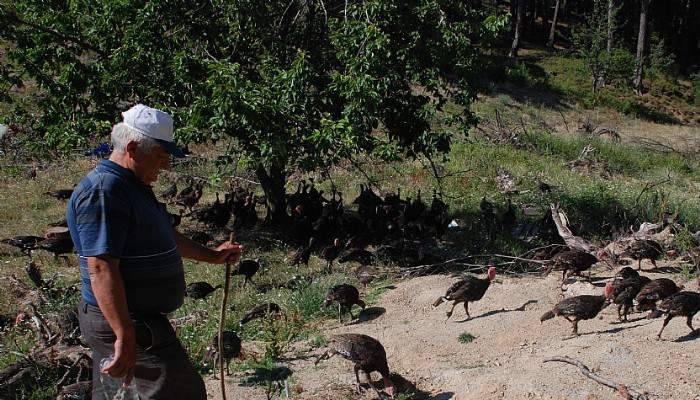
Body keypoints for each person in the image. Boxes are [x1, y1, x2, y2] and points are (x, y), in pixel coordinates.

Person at [66, 104, 241, 399]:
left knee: (122, 395)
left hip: (136, 318)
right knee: (179, 392)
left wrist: (212, 255)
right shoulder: (105, 192)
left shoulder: (130, 186)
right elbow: (100, 267)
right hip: (127, 319)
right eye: (161, 156)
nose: (166, 166)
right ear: (133, 148)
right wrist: (124, 334)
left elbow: (163, 234)